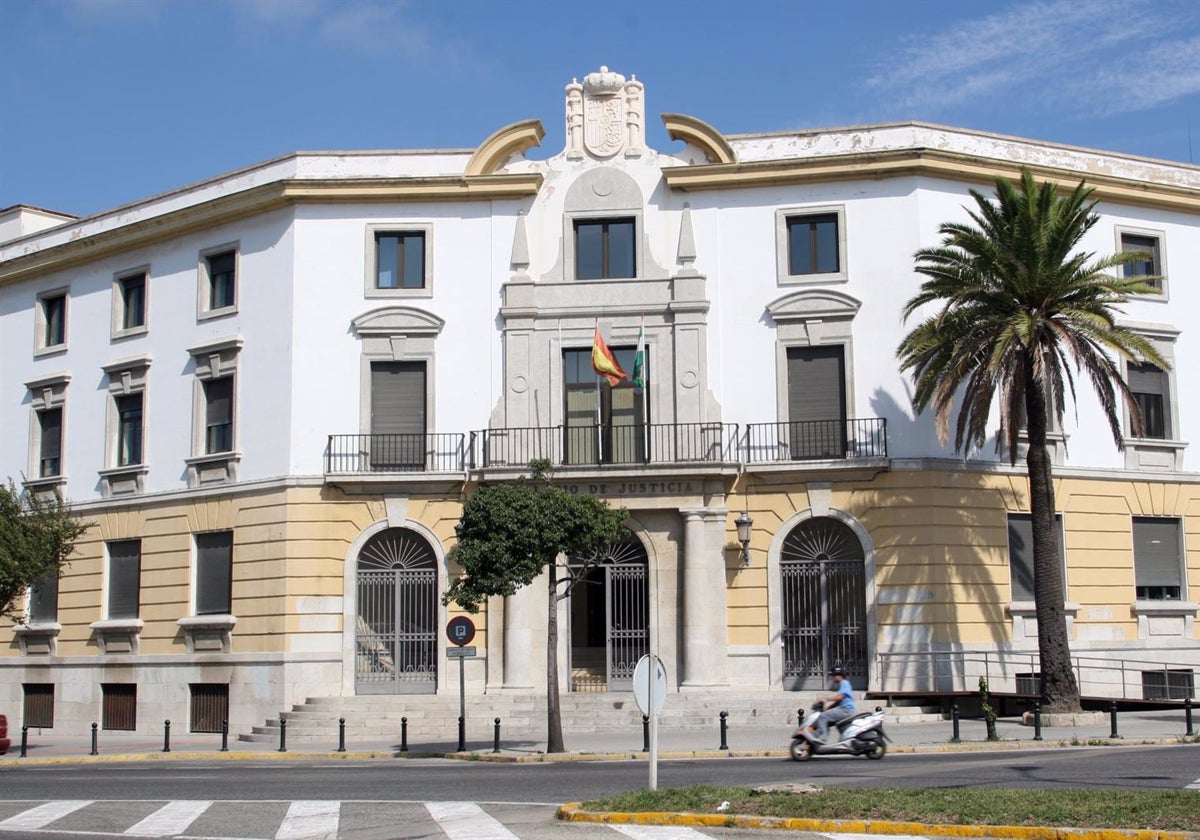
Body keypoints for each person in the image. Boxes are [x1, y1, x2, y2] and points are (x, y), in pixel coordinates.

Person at [814, 666, 856, 742]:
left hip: (845, 710)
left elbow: (839, 697)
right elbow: (838, 702)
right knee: (826, 716)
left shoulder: (844, 683)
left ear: (839, 675)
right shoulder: (843, 684)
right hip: (845, 710)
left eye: (834, 675)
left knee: (822, 717)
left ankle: (822, 739)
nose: (833, 678)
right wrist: (828, 708)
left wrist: (825, 699)